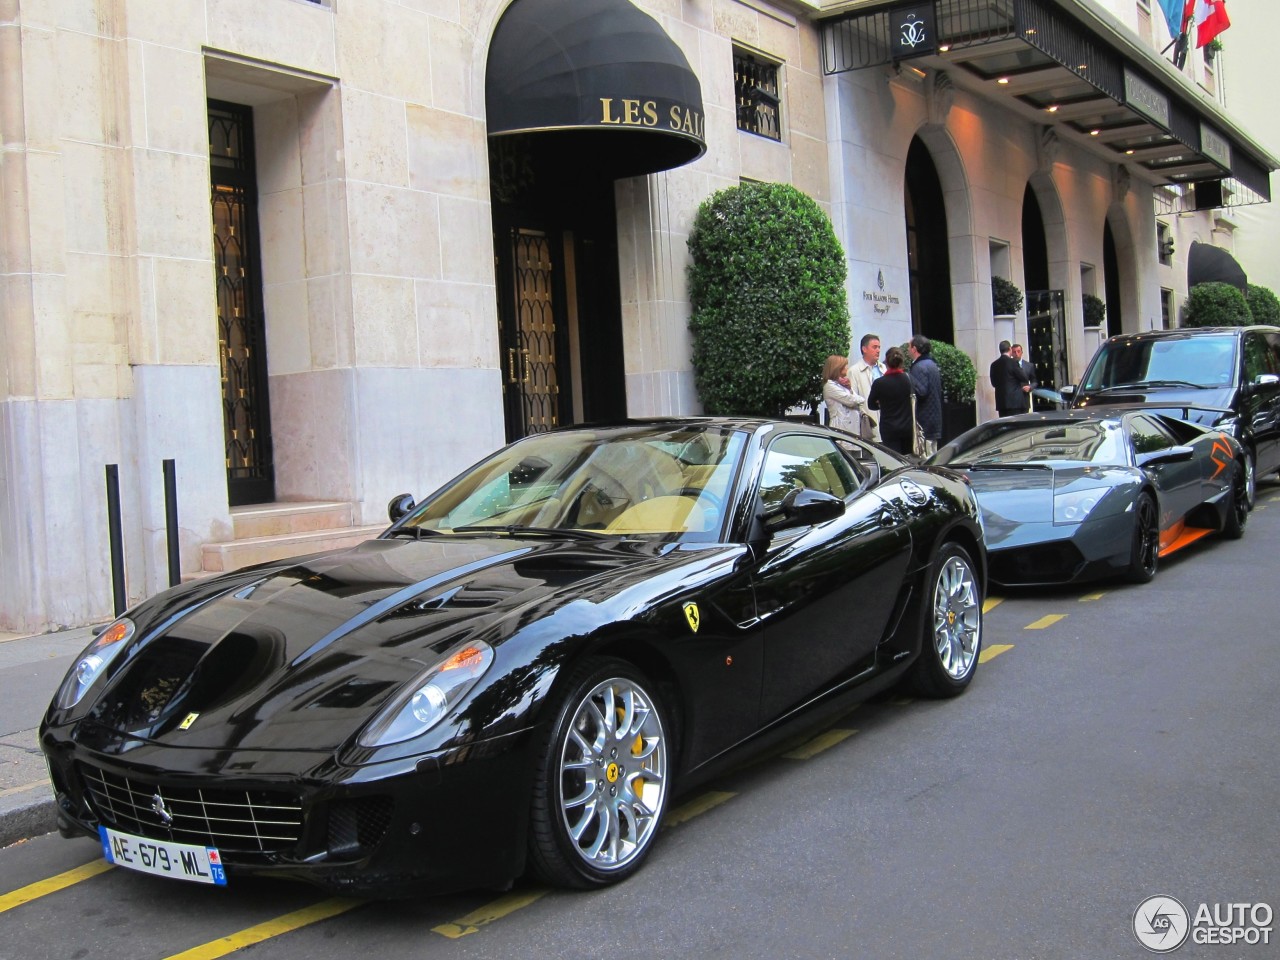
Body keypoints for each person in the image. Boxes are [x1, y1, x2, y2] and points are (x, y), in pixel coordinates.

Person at [867, 346, 915, 454]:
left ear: (887, 363)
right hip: (907, 427)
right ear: (902, 362)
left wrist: (882, 404)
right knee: (907, 458)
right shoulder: (908, 379)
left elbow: (871, 405)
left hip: (889, 428)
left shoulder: (879, 383)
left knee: (893, 458)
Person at [908, 335, 942, 457]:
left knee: (927, 457)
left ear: (914, 349)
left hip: (924, 420)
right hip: (934, 418)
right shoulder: (932, 364)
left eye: (909, 346)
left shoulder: (919, 367)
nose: (907, 349)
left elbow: (921, 392)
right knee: (933, 452)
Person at [849, 333, 885, 440]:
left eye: (879, 347)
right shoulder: (854, 371)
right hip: (868, 426)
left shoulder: (883, 368)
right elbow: (853, 399)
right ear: (864, 349)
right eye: (874, 347)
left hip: (886, 423)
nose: (878, 350)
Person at [821, 354, 866, 435]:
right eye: (845, 366)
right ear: (838, 368)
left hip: (852, 429)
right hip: (842, 428)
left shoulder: (841, 384)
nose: (847, 368)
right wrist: (861, 399)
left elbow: (854, 397)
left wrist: (849, 388)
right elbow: (851, 401)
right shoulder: (830, 386)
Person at [989, 339, 1029, 417]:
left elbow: (993, 383)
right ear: (1010, 349)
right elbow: (1024, 377)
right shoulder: (1013, 362)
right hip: (1015, 403)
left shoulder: (994, 365)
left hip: (1002, 403)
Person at [1013, 343, 1037, 413]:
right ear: (1011, 353)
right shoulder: (1008, 365)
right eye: (1014, 352)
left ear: (1022, 352)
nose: (1016, 354)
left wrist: (1030, 387)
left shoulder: (1029, 366)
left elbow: (1034, 381)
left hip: (1024, 400)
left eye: (1018, 351)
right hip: (1012, 401)